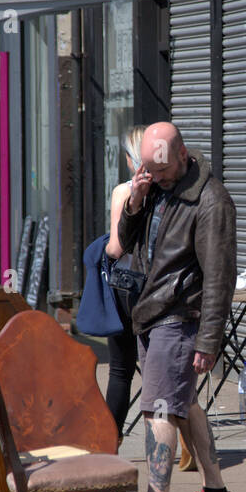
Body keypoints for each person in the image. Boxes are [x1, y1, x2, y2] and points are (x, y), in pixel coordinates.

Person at [117, 121, 238, 492]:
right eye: (149, 171)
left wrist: (209, 339)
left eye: (163, 173)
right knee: (182, 404)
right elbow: (126, 242)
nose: (158, 179)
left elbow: (219, 275)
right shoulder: (155, 188)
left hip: (179, 316)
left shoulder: (210, 199)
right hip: (152, 313)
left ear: (182, 155)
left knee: (159, 409)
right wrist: (136, 200)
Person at [102, 125, 147, 437]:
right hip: (165, 289)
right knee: (167, 372)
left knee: (120, 371)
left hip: (128, 289)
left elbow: (116, 248)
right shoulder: (173, 191)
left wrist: (102, 246)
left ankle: (108, 443)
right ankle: (189, 448)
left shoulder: (124, 191)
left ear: (132, 160)